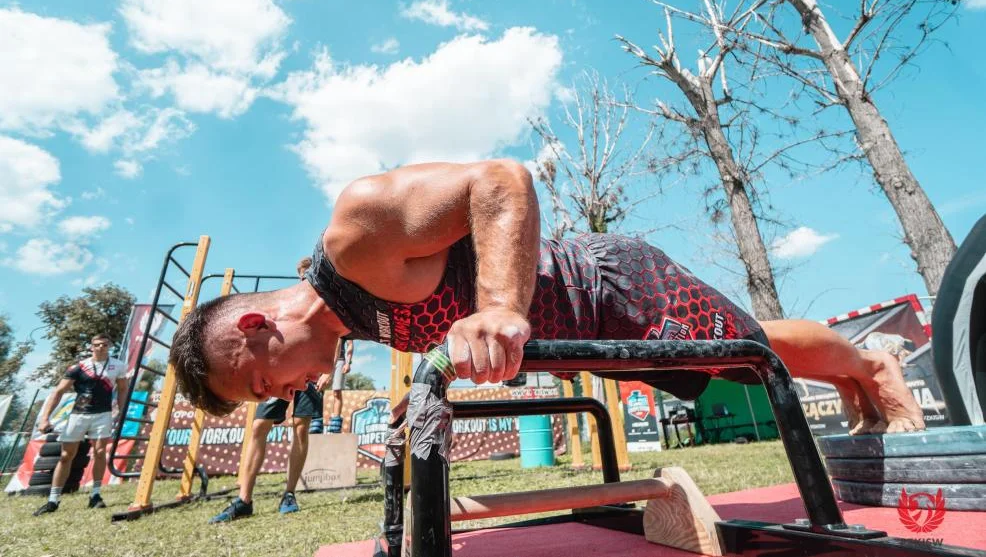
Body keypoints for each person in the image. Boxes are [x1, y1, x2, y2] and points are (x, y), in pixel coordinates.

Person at [169, 159, 926, 436]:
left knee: (746, 350)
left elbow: (499, 181)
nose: (282, 394)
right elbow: (450, 316)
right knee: (733, 365)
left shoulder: (354, 234)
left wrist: (501, 305)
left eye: (262, 382)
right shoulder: (358, 321)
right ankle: (857, 384)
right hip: (582, 334)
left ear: (257, 325)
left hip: (606, 283)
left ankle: (870, 367)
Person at [208, 258, 331, 523]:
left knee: (300, 428)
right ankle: (244, 498)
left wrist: (326, 371)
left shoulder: (325, 296)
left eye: (307, 273)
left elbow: (336, 334)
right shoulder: (289, 301)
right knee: (258, 427)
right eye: (300, 273)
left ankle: (289, 493)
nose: (304, 277)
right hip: (278, 372)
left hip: (308, 374)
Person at [33, 334, 128, 515]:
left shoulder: (118, 365)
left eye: (104, 345)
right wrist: (45, 418)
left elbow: (123, 389)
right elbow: (58, 392)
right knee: (66, 455)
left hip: (103, 414)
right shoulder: (79, 367)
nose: (101, 347)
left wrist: (122, 411)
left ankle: (95, 495)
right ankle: (53, 500)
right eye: (97, 345)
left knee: (100, 453)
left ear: (109, 347)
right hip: (78, 415)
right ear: (91, 347)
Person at [326, 338, 354, 433]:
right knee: (317, 388)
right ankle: (316, 419)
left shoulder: (346, 325)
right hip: (325, 359)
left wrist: (348, 363)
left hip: (340, 360)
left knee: (336, 391)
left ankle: (335, 423)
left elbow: (350, 344)